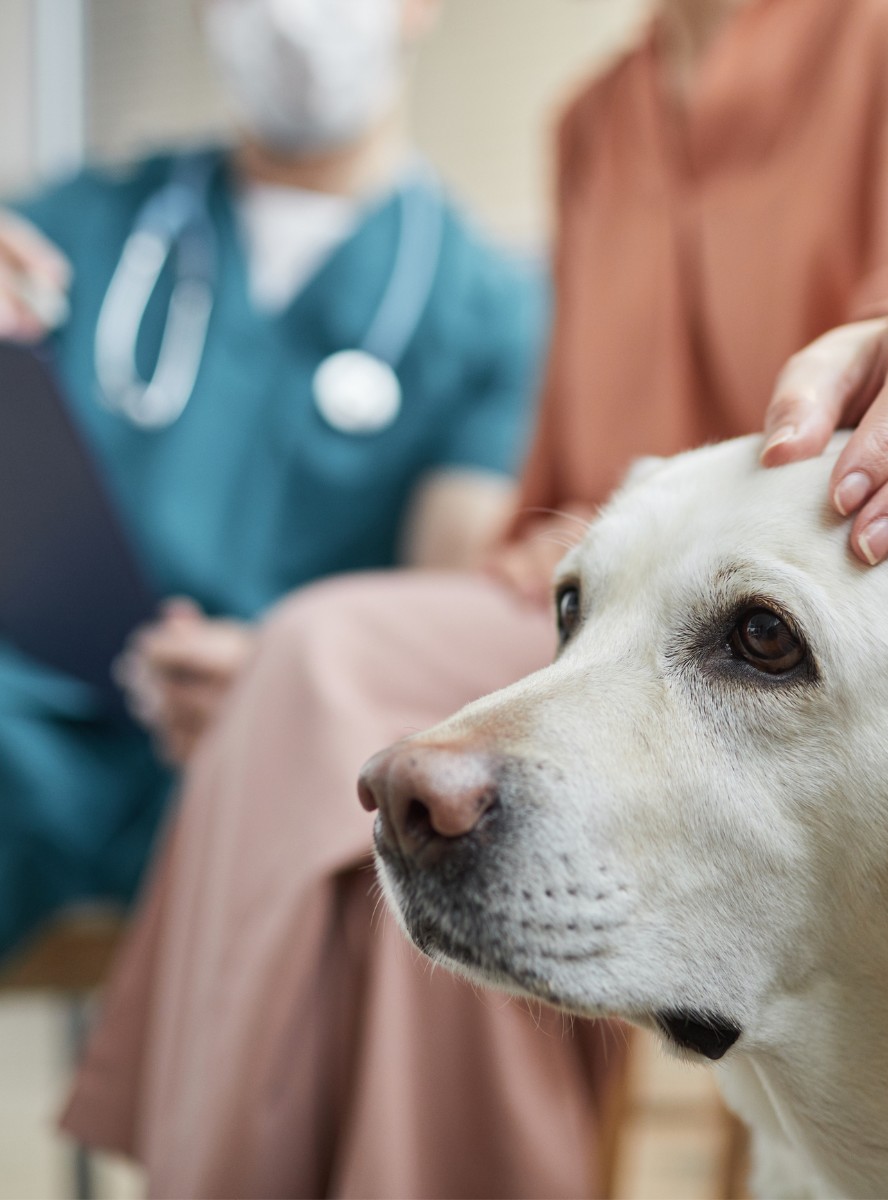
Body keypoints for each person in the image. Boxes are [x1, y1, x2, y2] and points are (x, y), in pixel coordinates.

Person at [62, 0, 888, 1196]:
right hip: (596, 604)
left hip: (817, 622)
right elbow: (558, 506)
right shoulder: (595, 120)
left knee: (322, 663)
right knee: (334, 705)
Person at [0, 0, 543, 959]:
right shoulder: (79, 231)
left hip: (281, 767)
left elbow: (436, 611)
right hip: (34, 745)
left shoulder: (487, 308)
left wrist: (286, 686)